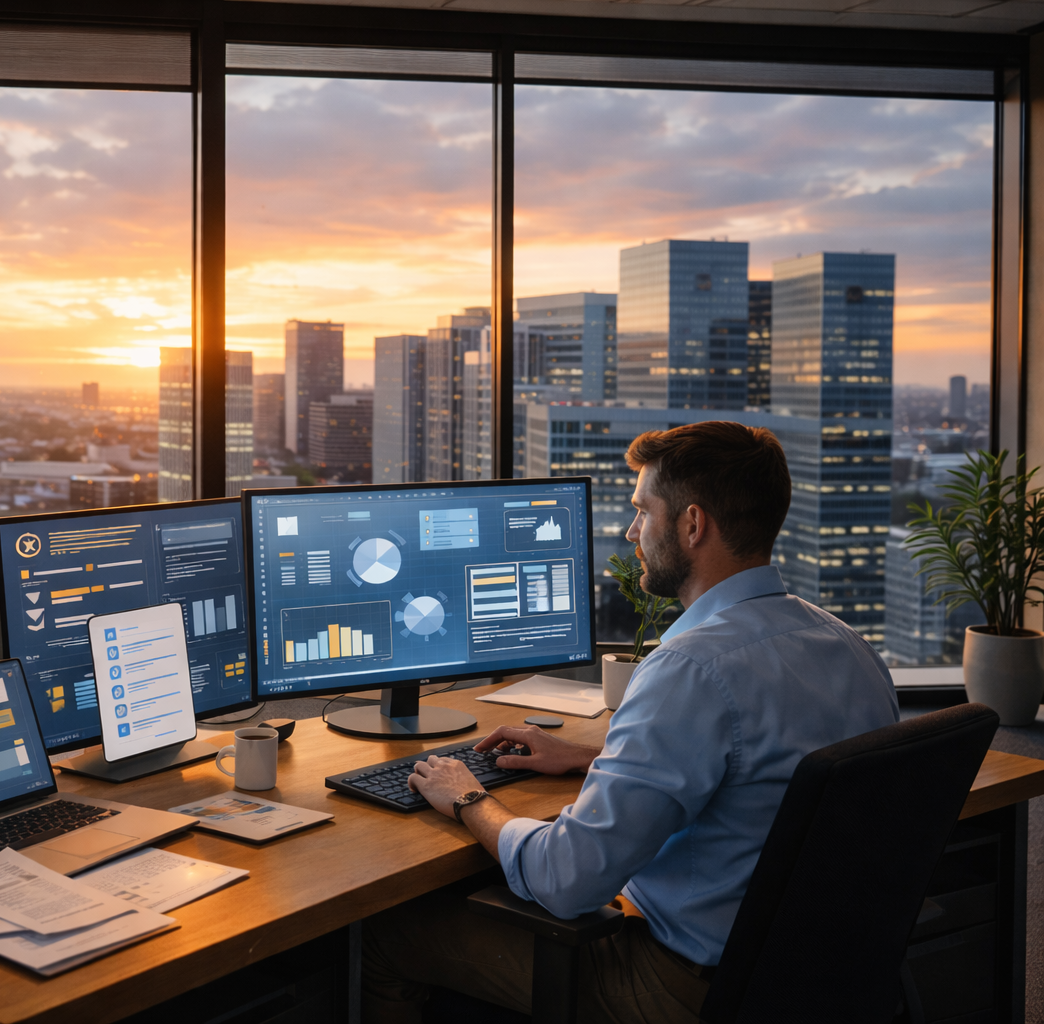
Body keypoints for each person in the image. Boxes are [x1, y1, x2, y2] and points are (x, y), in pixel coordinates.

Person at [362, 421, 899, 1024]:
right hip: (816, 979)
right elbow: (763, 775)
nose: (632, 532)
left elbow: (567, 880)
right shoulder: (846, 644)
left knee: (384, 936)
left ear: (693, 525)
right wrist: (592, 761)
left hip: (686, 989)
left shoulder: (691, 668)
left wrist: (468, 797)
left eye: (644, 511)